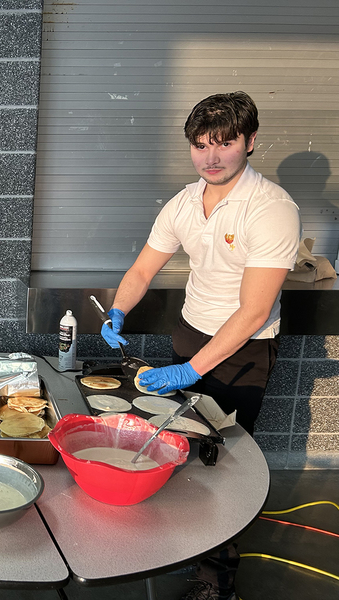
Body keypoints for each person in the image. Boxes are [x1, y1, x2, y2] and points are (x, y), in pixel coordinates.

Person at [100, 92, 300, 600]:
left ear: (250, 142)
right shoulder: (184, 202)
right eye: (200, 145)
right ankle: (176, 543)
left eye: (224, 143)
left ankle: (217, 580)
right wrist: (118, 310)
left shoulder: (272, 209)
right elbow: (142, 270)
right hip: (190, 333)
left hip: (244, 349)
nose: (211, 157)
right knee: (176, 442)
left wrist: (191, 371)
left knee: (222, 459)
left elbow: (253, 311)